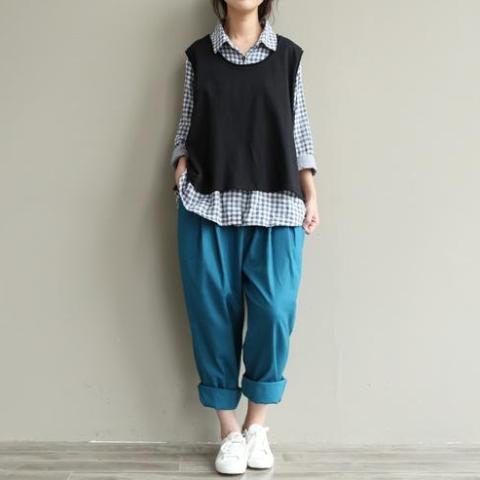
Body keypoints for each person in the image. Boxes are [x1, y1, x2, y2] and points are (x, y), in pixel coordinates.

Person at [170, 0, 319, 474]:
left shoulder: (288, 56)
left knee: (275, 311)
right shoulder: (198, 56)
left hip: (277, 205)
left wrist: (311, 193)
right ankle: (229, 432)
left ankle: (257, 427)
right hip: (208, 205)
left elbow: (300, 132)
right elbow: (186, 126)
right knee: (212, 316)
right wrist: (179, 171)